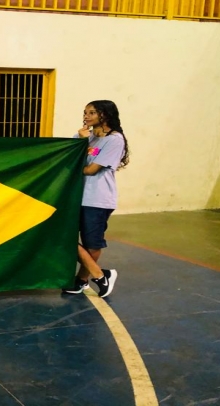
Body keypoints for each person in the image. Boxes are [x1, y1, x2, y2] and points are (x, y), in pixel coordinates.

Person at [62, 100, 129, 298]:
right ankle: (101, 275)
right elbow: (68, 161)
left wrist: (83, 143)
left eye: (92, 112)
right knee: (65, 237)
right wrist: (82, 140)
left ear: (105, 115)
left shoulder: (114, 140)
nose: (86, 116)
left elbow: (91, 170)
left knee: (92, 243)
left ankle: (82, 280)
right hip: (76, 197)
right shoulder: (82, 136)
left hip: (97, 199)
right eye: (85, 112)